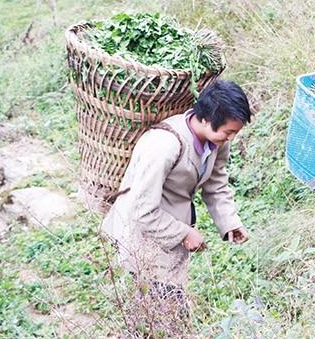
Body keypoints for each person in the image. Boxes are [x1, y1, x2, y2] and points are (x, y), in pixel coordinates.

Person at [101, 79, 251, 319]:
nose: (230, 138)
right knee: (159, 311)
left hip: (167, 227)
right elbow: (143, 211)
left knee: (165, 308)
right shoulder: (164, 146)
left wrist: (229, 222)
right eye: (229, 131)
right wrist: (183, 233)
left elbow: (215, 183)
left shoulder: (216, 142)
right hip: (142, 234)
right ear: (206, 118)